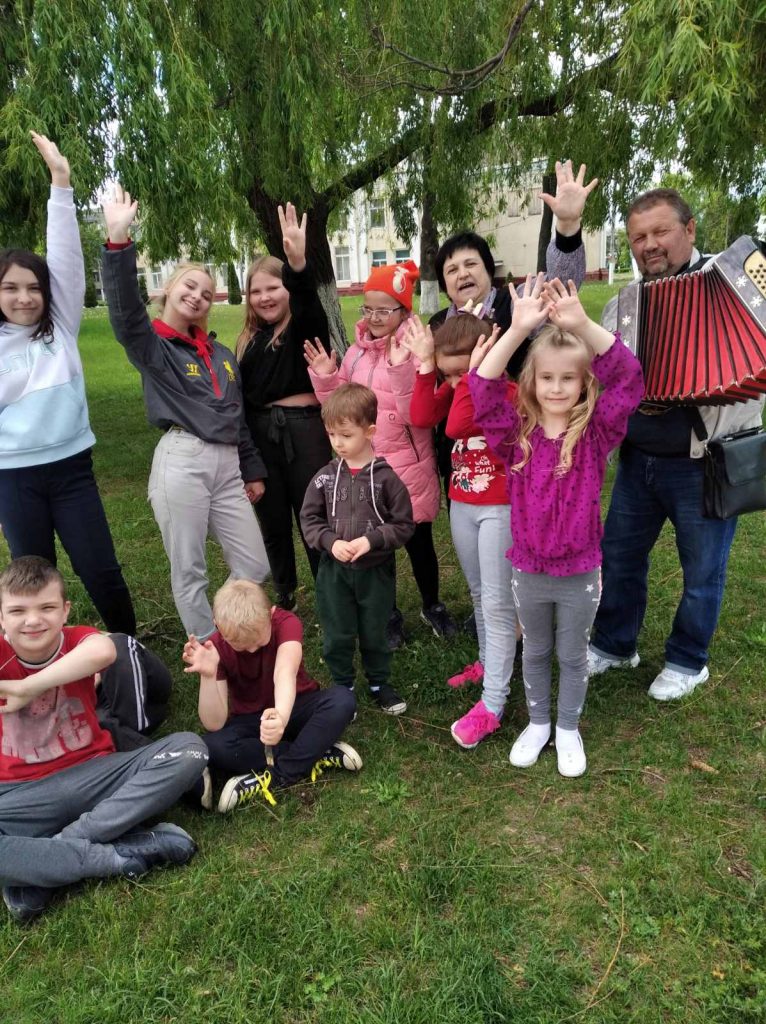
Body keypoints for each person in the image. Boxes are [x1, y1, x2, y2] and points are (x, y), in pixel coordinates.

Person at [587, 188, 765, 700]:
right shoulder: (624, 303)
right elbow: (603, 372)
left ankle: (689, 660)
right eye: (638, 237)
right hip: (637, 460)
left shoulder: (738, 282)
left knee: (702, 569)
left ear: (689, 229)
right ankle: (615, 643)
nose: (649, 245)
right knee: (619, 557)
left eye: (660, 231)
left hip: (704, 461)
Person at [469, 276, 643, 777]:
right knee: (536, 651)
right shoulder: (515, 437)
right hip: (529, 570)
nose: (557, 387)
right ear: (532, 382)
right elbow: (482, 388)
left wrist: (583, 325)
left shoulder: (595, 433)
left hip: (580, 572)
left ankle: (567, 727)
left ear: (584, 383)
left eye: (569, 378)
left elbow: (629, 379)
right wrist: (516, 329)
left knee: (571, 654)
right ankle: (539, 723)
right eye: (547, 377)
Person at [100, 185, 270, 641]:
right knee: (189, 568)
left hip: (228, 466)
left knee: (254, 564)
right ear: (169, 289)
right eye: (189, 286)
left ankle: (233, 628)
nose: (197, 296)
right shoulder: (154, 347)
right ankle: (210, 649)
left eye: (206, 293)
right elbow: (126, 316)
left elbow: (238, 417)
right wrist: (118, 242)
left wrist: (252, 468)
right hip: (183, 460)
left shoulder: (221, 354)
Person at [0, 556, 208, 923]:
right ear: (1, 618)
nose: (32, 620)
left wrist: (28, 687)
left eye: (46, 607)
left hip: (97, 776)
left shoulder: (77, 640)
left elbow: (107, 650)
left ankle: (46, 862)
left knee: (189, 749)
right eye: (17, 611)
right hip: (20, 797)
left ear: (65, 611)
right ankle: (112, 856)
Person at [0, 132, 135, 635]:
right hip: (13, 477)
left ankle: (128, 650)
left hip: (71, 469)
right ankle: (40, 656)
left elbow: (64, 259)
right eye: (10, 288)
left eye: (33, 288)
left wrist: (61, 182)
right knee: (32, 578)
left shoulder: (60, 326)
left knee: (100, 568)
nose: (24, 298)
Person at [304, 261, 455, 649]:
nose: (373, 318)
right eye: (367, 308)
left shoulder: (417, 349)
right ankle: (388, 614)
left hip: (409, 468)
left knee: (419, 542)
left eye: (383, 310)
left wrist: (404, 367)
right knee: (379, 549)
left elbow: (414, 413)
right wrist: (327, 377)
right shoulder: (355, 354)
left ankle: (432, 604)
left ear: (403, 310)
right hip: (366, 471)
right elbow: (341, 410)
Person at [405, 312, 517, 748]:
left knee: (497, 601)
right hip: (464, 501)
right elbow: (421, 414)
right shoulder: (458, 388)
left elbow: (454, 427)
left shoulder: (505, 390)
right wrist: (426, 367)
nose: (453, 382)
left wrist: (474, 376)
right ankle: (488, 663)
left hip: (499, 506)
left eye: (460, 372)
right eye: (448, 374)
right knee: (478, 592)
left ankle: (493, 703)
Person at [182, 578, 361, 813]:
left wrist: (281, 718)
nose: (251, 650)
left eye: (259, 642)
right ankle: (315, 751)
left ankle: (277, 776)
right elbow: (214, 723)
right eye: (240, 646)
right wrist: (208, 675)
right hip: (251, 722)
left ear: (271, 613)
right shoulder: (215, 648)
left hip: (295, 707)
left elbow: (284, 673)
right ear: (218, 627)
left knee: (342, 700)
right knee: (212, 745)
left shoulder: (286, 622)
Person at [236, 204, 333, 612]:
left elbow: (308, 301)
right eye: (256, 291)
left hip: (304, 431)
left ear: (287, 289)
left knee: (312, 513)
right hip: (262, 433)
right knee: (272, 519)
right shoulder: (251, 339)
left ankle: (329, 589)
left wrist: (297, 264)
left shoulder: (303, 327)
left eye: (273, 288)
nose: (265, 297)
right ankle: (284, 591)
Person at [300, 384, 416, 714]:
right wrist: (330, 542)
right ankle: (342, 687)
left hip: (375, 572)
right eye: (332, 434)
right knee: (337, 632)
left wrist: (371, 540)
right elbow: (309, 518)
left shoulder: (387, 480)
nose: (338, 443)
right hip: (334, 573)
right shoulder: (324, 478)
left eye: (346, 435)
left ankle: (379, 683)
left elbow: (404, 524)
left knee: (375, 631)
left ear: (370, 431)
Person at [95, 633, 173, 751]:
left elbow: (114, 643)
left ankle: (129, 733)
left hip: (139, 684)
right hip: (96, 713)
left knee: (114, 644)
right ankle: (136, 742)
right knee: (98, 722)